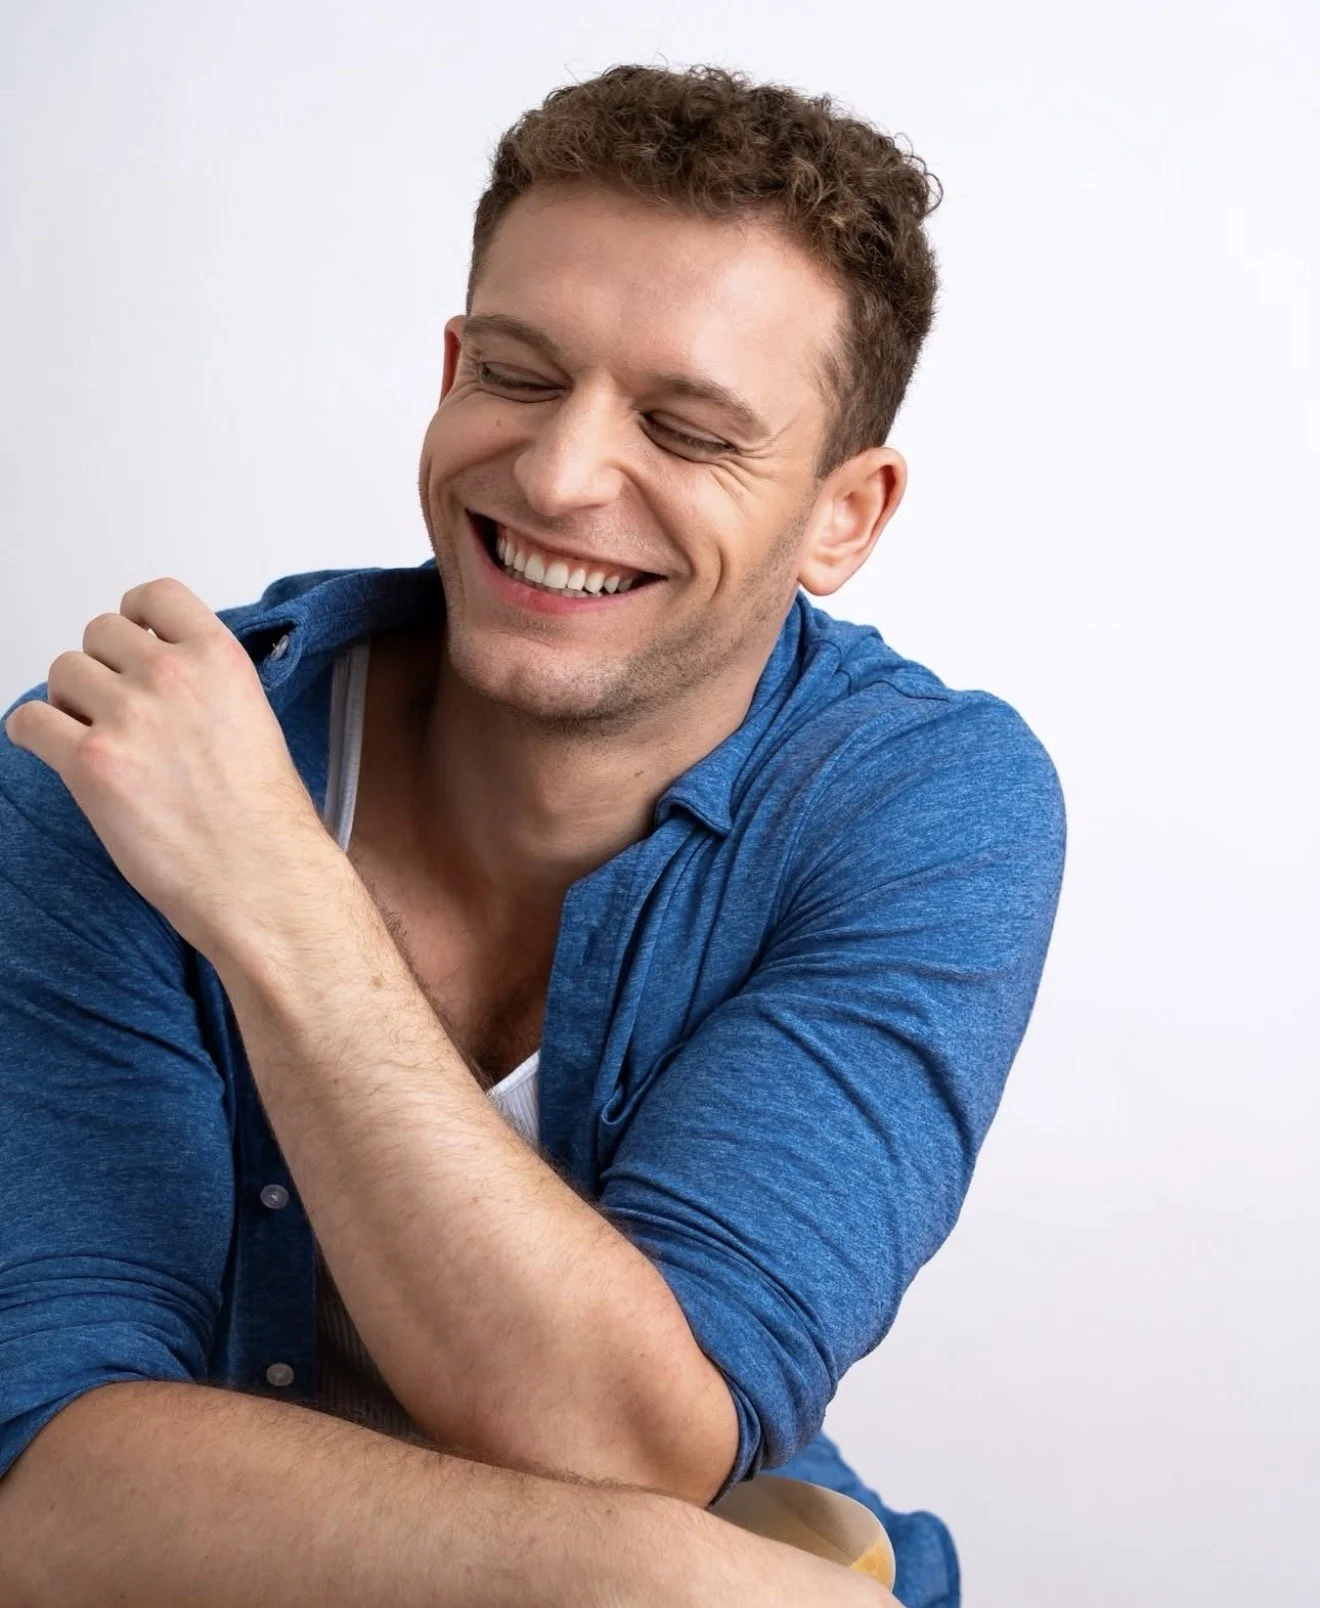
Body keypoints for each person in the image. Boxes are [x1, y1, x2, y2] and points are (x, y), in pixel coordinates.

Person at [0, 63, 1065, 1607]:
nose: (561, 479)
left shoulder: (926, 806)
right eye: (517, 373)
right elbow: (45, 1494)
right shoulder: (123, 762)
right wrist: (654, 1574)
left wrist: (278, 899)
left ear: (846, 513)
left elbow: (636, 1434)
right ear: (451, 370)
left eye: (687, 430)